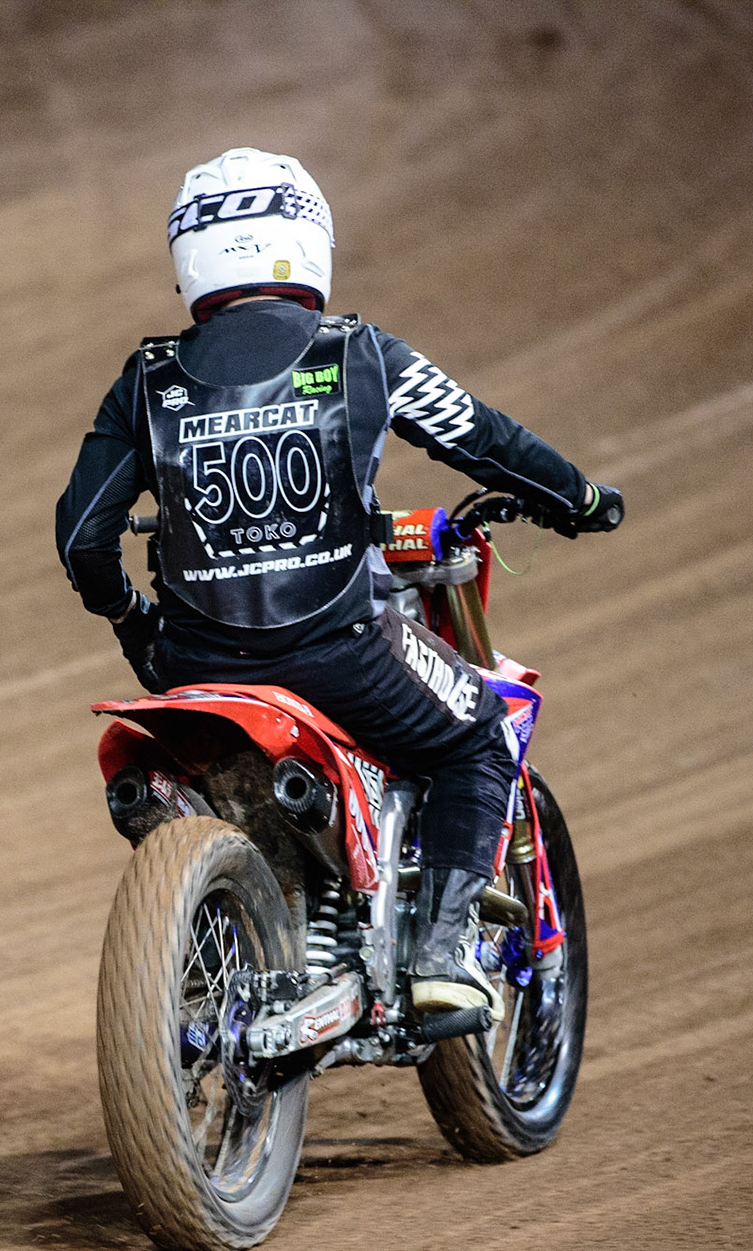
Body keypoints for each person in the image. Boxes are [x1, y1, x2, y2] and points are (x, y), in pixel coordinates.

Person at [55, 148, 623, 1020]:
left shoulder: (146, 379)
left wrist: (137, 626)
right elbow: (482, 437)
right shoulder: (360, 352)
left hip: (193, 666)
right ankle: (441, 955)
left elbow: (83, 539)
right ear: (308, 239)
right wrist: (578, 496)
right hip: (341, 654)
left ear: (189, 257)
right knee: (480, 735)